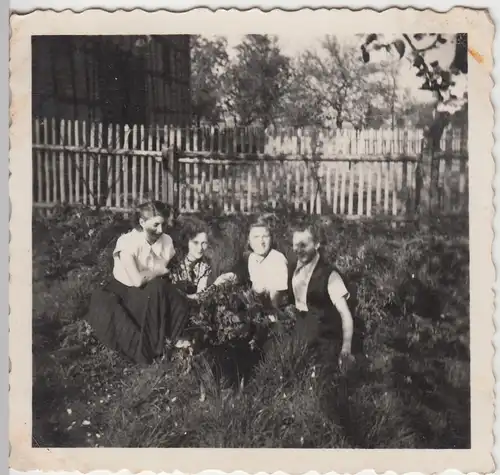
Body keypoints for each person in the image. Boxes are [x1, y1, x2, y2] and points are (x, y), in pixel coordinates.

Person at [85, 201, 191, 365]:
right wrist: (157, 271)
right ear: (142, 222)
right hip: (123, 292)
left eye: (163, 224)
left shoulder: (166, 241)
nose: (160, 230)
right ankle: (150, 347)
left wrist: (158, 273)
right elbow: (137, 280)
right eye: (155, 225)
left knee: (175, 300)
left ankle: (168, 341)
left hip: (149, 290)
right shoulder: (127, 243)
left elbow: (163, 271)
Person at [288, 222, 356, 371]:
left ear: (317, 244)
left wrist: (346, 348)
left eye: (303, 245)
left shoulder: (329, 275)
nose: (298, 250)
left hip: (323, 339)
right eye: (295, 245)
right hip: (300, 333)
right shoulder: (294, 268)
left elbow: (345, 315)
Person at [214, 216, 288, 308]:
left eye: (265, 236)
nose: (261, 242)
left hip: (275, 312)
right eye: (256, 237)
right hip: (256, 308)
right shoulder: (252, 257)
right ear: (249, 241)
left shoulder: (277, 260)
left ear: (271, 239)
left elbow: (274, 303)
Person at [169, 216, 212, 298]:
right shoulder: (174, 263)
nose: (200, 248)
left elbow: (201, 295)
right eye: (195, 242)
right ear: (186, 242)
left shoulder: (206, 266)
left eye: (204, 243)